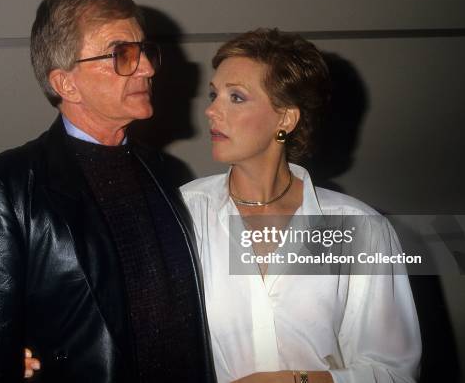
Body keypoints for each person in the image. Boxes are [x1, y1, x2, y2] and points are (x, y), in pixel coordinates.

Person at [0, 0, 216, 382]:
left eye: (144, 51)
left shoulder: (166, 172)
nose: (147, 68)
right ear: (66, 84)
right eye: (121, 55)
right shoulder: (5, 189)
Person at [179, 29, 422, 382]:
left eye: (236, 97)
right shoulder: (181, 214)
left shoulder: (360, 228)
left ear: (285, 120)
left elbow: (393, 372)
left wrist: (295, 381)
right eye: (214, 94)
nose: (211, 110)